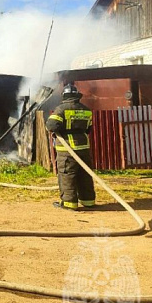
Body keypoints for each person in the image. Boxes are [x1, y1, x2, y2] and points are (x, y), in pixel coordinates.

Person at [46, 83, 95, 211]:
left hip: (67, 149)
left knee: (67, 174)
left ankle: (69, 203)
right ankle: (88, 201)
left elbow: (51, 126)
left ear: (64, 96)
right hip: (84, 147)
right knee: (85, 175)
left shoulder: (61, 109)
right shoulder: (86, 110)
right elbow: (89, 129)